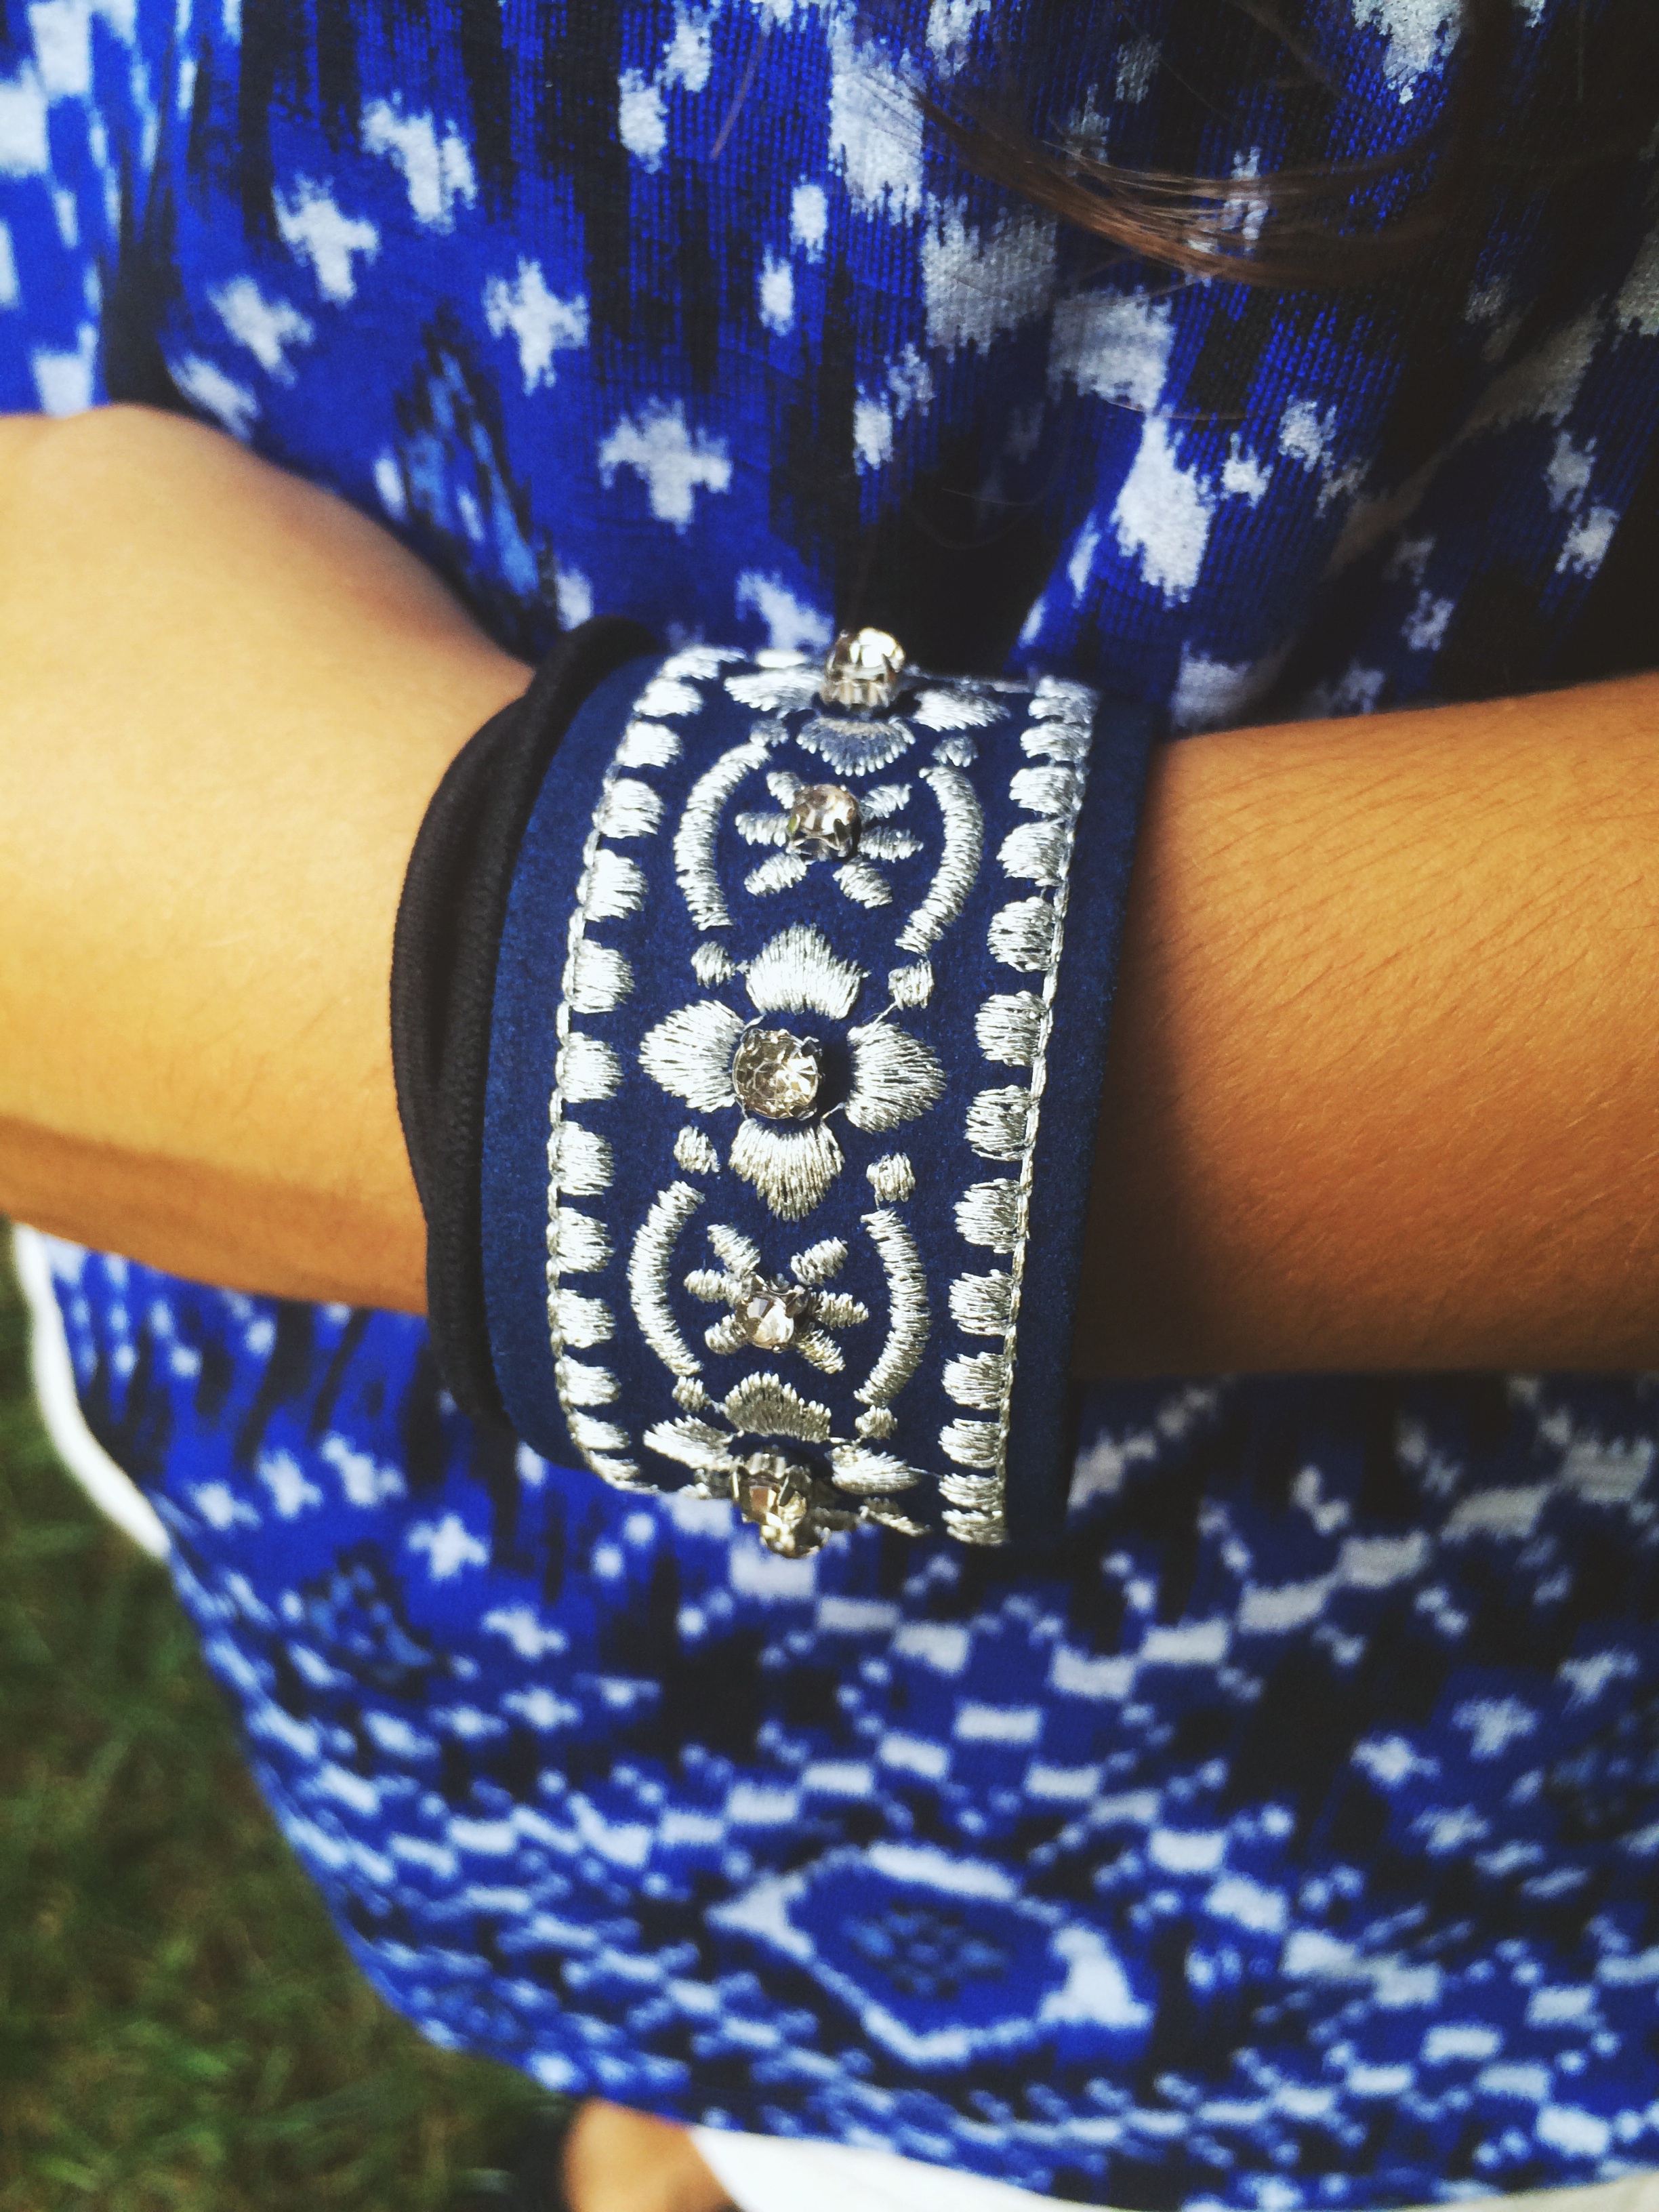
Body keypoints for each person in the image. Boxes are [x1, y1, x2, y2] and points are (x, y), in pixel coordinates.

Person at [2, 0, 1658, 2205]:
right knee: (666, 2001)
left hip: (1345, 1763)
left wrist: (477, 1039)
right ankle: (701, 2090)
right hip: (229, 1071)